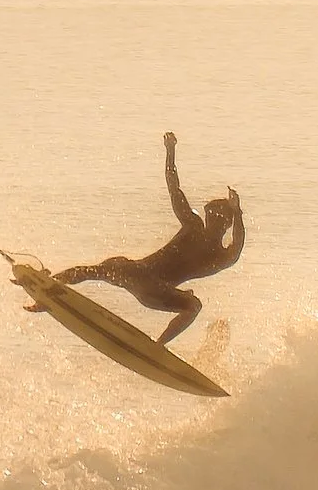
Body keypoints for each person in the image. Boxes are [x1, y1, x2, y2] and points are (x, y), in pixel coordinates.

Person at [55, 132, 244, 345]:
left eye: (217, 216)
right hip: (141, 278)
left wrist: (237, 212)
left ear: (226, 223)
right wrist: (170, 151)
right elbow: (175, 190)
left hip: (152, 288)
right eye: (211, 214)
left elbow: (237, 247)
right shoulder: (198, 230)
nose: (212, 218)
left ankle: (157, 347)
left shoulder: (216, 251)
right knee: (105, 266)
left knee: (193, 305)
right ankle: (51, 284)